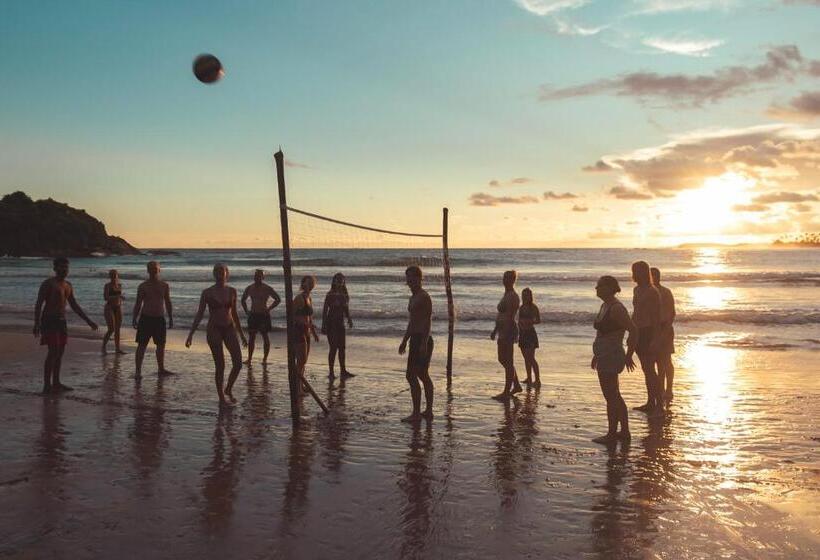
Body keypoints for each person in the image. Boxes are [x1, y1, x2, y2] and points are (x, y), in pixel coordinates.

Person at [186, 264, 248, 408]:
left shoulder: (232, 291)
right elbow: (200, 314)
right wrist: (191, 334)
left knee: (238, 363)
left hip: (229, 328)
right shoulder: (207, 293)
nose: (220, 273)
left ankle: (228, 388)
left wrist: (242, 335)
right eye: (217, 271)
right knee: (220, 365)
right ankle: (221, 398)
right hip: (214, 329)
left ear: (227, 273)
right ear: (214, 274)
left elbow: (235, 315)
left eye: (223, 271)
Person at [33, 257, 98, 394]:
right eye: (61, 267)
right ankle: (47, 386)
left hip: (62, 321)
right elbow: (39, 304)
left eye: (66, 267)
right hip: (49, 320)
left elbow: (74, 305)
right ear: (55, 268)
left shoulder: (68, 285)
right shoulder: (48, 283)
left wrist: (88, 320)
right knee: (53, 352)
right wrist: (36, 323)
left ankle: (56, 383)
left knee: (60, 353)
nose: (64, 270)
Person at [591, 275, 637, 444]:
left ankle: (612, 434)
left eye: (600, 286)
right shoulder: (605, 305)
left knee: (611, 396)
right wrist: (596, 355)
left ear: (610, 288)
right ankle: (624, 431)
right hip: (604, 354)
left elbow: (633, 330)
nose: (596, 288)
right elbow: (601, 333)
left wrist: (629, 355)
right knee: (614, 394)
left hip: (612, 355)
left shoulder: (617, 308)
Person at [398, 265, 434, 422]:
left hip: (422, 339)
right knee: (419, 375)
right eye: (408, 277)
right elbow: (411, 322)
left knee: (414, 375)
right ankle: (424, 411)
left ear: (420, 278)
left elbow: (427, 322)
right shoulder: (412, 297)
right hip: (415, 338)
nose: (410, 280)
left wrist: (424, 343)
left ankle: (418, 413)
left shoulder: (424, 297)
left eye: (413, 277)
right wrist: (404, 341)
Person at [630, 260, 663, 414]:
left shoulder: (652, 291)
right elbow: (636, 312)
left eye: (637, 271)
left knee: (650, 369)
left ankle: (659, 403)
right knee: (646, 369)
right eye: (633, 271)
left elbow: (656, 317)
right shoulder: (637, 290)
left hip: (648, 331)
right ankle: (651, 401)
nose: (634, 274)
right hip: (638, 331)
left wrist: (656, 339)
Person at [133, 261, 174, 378]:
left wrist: (170, 317)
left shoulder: (164, 285)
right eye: (151, 269)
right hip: (146, 318)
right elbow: (138, 303)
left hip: (160, 319)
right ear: (147, 270)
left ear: (159, 270)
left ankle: (161, 369)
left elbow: (168, 302)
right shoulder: (143, 286)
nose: (153, 271)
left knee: (161, 345)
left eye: (155, 269)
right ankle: (138, 371)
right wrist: (134, 318)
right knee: (142, 345)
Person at [490, 270, 523, 400]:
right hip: (502, 329)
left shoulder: (513, 296)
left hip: (508, 330)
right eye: (504, 277)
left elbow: (509, 316)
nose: (504, 280)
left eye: (507, 278)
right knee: (502, 359)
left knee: (508, 361)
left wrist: (507, 333)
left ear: (513, 280)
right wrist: (495, 330)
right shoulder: (506, 294)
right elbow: (501, 315)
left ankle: (506, 392)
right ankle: (516, 385)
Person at [240, 269, 281, 365]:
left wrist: (269, 308)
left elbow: (278, 299)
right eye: (256, 275)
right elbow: (243, 300)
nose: (257, 277)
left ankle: (264, 359)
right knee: (251, 337)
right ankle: (249, 359)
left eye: (259, 276)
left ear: (263, 277)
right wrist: (246, 311)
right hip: (253, 314)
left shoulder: (267, 288)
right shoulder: (249, 288)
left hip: (263, 315)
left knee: (265, 337)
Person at [322, 272, 354, 380]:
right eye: (338, 280)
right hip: (331, 323)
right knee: (333, 348)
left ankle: (343, 370)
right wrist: (323, 324)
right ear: (334, 281)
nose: (340, 281)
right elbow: (325, 310)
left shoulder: (345, 294)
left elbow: (346, 308)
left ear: (344, 282)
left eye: (342, 280)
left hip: (340, 323)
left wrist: (349, 319)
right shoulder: (330, 294)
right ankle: (331, 372)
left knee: (342, 348)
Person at [651, 267, 676, 403]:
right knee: (656, 362)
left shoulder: (665, 292)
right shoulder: (645, 292)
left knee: (665, 361)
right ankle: (660, 390)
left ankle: (669, 389)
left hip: (664, 329)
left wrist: (664, 331)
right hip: (652, 330)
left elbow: (671, 313)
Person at [293, 275, 320, 385]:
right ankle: (297, 386)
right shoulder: (299, 298)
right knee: (301, 360)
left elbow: (309, 317)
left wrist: (314, 333)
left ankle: (300, 384)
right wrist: (304, 323)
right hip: (298, 330)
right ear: (302, 284)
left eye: (310, 283)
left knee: (304, 361)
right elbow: (292, 315)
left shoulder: (309, 298)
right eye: (306, 283)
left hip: (307, 331)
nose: (307, 285)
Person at [518, 287, 541, 387]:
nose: (524, 297)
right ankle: (529, 378)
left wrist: (530, 321)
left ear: (530, 296)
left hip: (530, 333)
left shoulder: (533, 307)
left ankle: (538, 380)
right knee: (525, 358)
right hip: (522, 333)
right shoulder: (521, 307)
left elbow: (538, 320)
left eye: (526, 295)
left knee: (531, 358)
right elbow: (519, 319)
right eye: (523, 295)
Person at [101, 269, 125, 354]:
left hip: (118, 307)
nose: (114, 276)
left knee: (118, 329)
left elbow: (120, 297)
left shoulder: (119, 285)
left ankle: (117, 349)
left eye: (115, 275)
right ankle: (103, 347)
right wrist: (117, 296)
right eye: (112, 275)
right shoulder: (107, 286)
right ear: (110, 276)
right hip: (109, 307)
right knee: (111, 329)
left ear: (118, 276)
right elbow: (105, 298)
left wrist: (120, 300)